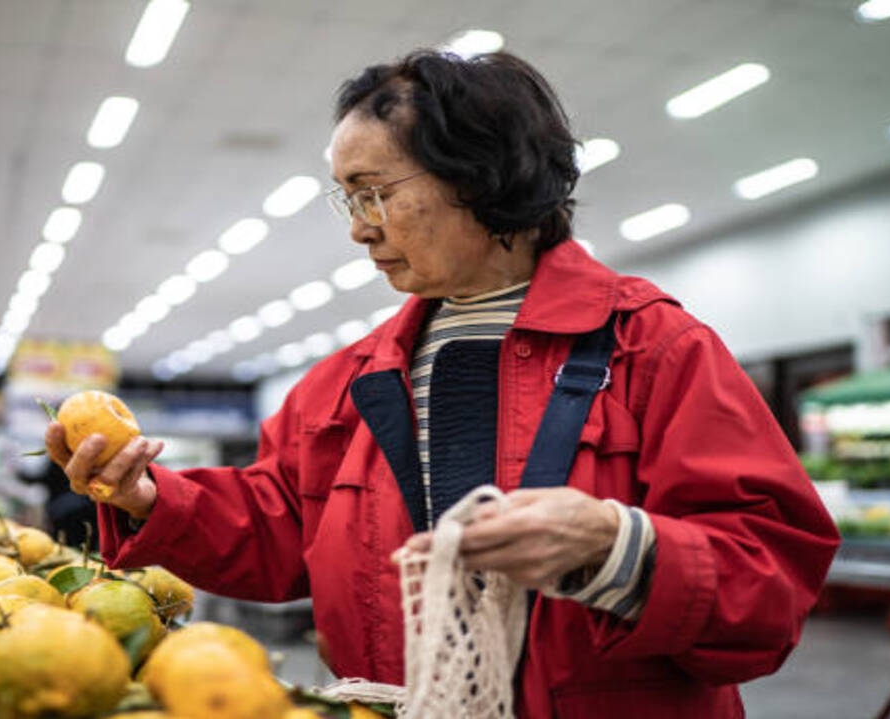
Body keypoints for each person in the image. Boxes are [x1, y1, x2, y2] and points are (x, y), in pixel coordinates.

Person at [46, 50, 839, 717]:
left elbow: (769, 578)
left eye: (375, 192)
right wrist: (150, 497)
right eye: (347, 198)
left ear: (479, 175)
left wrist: (617, 545)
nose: (358, 226)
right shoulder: (347, 382)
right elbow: (279, 527)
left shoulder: (654, 348)